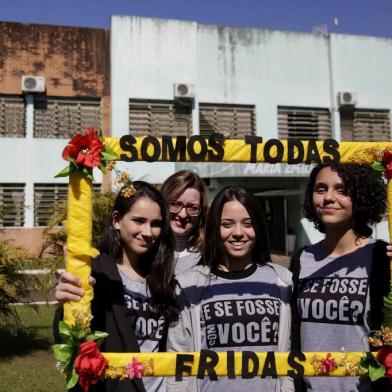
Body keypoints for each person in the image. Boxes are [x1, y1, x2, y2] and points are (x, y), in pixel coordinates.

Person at [55, 181, 178, 392]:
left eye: (156, 223)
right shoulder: (95, 271)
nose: (147, 232)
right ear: (117, 220)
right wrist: (66, 304)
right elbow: (71, 336)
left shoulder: (164, 276)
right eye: (138, 220)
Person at [167, 186, 293, 392]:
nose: (238, 233)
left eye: (248, 224)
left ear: (259, 228)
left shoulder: (282, 281)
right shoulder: (189, 284)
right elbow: (178, 361)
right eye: (227, 224)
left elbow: (288, 354)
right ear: (215, 228)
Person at [290, 164, 390, 392]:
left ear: (362, 196)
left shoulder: (382, 257)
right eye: (321, 189)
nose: (328, 198)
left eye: (342, 190)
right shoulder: (301, 259)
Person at [160, 170, 208, 275]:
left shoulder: (210, 254)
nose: (183, 214)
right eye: (175, 204)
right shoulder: (147, 249)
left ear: (201, 212)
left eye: (192, 207)